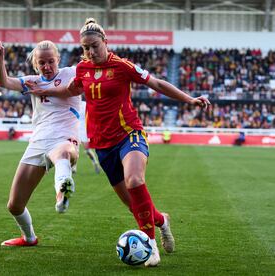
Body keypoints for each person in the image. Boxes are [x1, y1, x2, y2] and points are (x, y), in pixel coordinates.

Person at [27, 18, 211, 266]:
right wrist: (45, 91)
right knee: (133, 205)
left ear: (105, 42)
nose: (91, 52)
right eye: (85, 48)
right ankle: (162, 221)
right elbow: (71, 90)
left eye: (94, 45)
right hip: (102, 145)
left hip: (129, 134)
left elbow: (156, 83)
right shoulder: (83, 69)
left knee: (135, 180)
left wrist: (189, 100)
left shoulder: (123, 66)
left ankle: (150, 246)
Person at [0, 40, 81, 247]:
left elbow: (75, 90)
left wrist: (44, 91)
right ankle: (29, 237)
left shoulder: (71, 73)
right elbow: (5, 82)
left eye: (51, 61)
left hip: (64, 135)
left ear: (58, 59)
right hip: (38, 140)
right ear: (36, 64)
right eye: (42, 63)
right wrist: (0, 59)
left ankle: (62, 191)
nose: (48, 66)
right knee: (14, 205)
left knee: (63, 153)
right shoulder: (31, 81)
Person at [79, 100, 100, 173]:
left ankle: (95, 163)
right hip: (74, 128)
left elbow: (91, 115)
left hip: (83, 128)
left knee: (87, 149)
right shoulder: (71, 104)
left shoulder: (84, 104)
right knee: (73, 148)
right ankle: (73, 168)